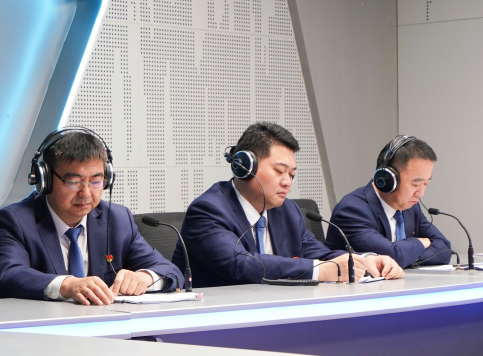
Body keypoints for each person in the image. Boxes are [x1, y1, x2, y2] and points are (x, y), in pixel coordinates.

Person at [177, 122, 402, 287]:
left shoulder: (288, 210)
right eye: (279, 171)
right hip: (219, 321)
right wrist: (321, 271)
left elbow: (317, 253)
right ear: (244, 166)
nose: (287, 182)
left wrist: (365, 260)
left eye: (292, 174)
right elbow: (239, 263)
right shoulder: (208, 210)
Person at [0, 128, 183, 303]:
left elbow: (171, 271)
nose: (86, 193)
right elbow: (7, 276)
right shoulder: (15, 220)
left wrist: (145, 277)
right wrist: (67, 285)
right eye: (74, 182)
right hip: (41, 326)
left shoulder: (118, 219)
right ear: (45, 180)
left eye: (96, 181)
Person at [327, 135, 453, 268]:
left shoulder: (411, 207)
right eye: (415, 184)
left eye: (426, 184)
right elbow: (394, 256)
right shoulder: (351, 210)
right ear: (388, 178)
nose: (421, 193)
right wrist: (421, 243)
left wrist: (409, 255)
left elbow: (444, 249)